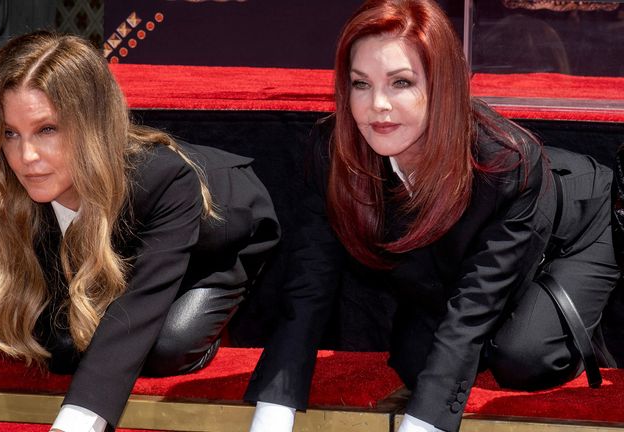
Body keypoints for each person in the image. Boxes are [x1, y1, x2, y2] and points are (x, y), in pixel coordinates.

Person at [244, 1, 618, 431]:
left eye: (400, 82)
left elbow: (471, 310)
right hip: (475, 249)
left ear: (442, 85)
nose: (377, 105)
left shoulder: (508, 162)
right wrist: (272, 415)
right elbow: (308, 289)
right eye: (360, 84)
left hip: (573, 227)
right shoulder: (333, 152)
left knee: (525, 359)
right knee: (416, 363)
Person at [0, 31, 279, 432]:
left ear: (91, 125)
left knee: (159, 345)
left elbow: (133, 318)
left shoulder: (163, 180)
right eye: (10, 132)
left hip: (213, 246)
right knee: (61, 346)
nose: (26, 157)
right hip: (97, 245)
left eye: (46, 129)